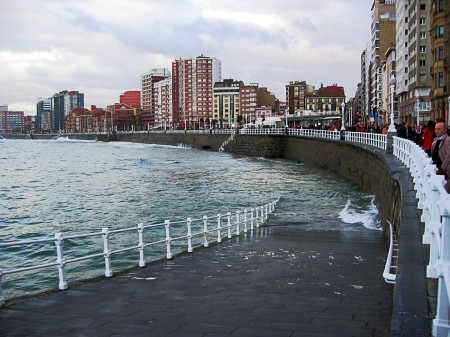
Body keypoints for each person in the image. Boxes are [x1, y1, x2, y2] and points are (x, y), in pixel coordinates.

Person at [431, 121, 450, 193]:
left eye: (439, 129)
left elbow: (448, 156)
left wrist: (442, 168)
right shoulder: (436, 139)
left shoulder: (448, 140)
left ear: (445, 130)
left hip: (445, 170)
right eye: (435, 129)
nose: (436, 131)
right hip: (437, 167)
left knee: (445, 190)